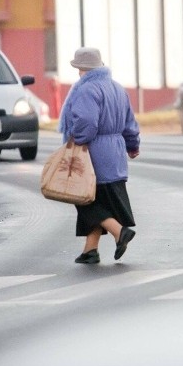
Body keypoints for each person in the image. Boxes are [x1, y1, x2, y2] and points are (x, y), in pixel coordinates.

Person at [58, 47, 140, 264]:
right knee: (97, 199)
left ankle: (119, 231)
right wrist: (132, 145)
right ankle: (90, 250)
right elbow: (130, 124)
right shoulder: (118, 89)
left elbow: (86, 123)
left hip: (93, 154)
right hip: (115, 153)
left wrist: (76, 139)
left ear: (80, 68)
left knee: (84, 198)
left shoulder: (86, 90)